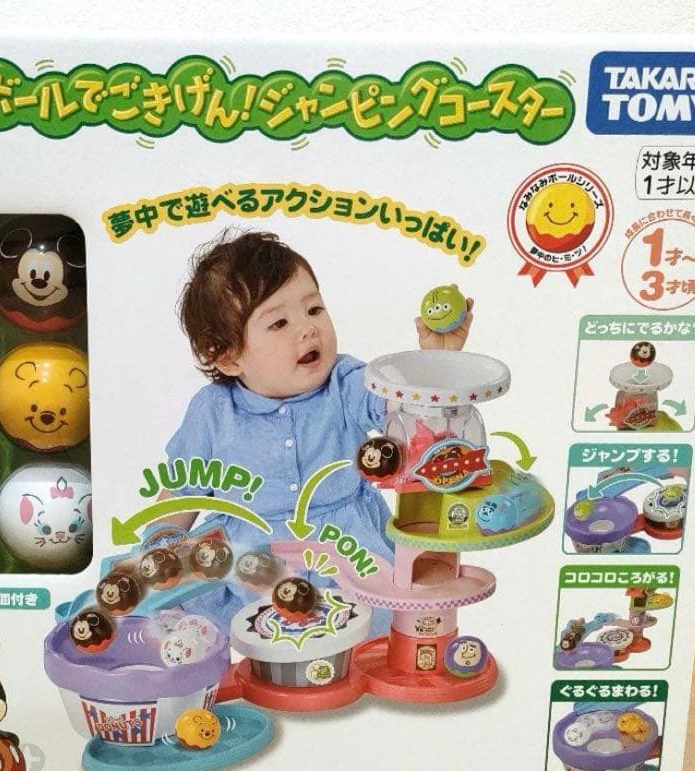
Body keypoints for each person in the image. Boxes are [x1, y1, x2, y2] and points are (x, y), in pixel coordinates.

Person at [161, 229, 473, 628]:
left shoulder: (345, 383)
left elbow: (407, 417)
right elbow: (180, 492)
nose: (307, 329)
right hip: (253, 570)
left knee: (369, 634)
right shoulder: (213, 411)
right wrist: (156, 557)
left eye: (314, 309)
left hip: (350, 556)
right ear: (229, 357)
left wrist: (436, 365)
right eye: (279, 323)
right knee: (236, 633)